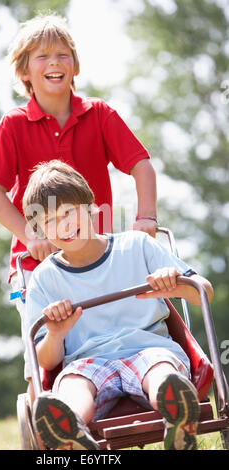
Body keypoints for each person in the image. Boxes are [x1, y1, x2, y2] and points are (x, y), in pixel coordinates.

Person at [0, 13, 157, 381]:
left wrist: (147, 218)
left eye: (62, 55)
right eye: (42, 57)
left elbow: (141, 164)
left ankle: (145, 377)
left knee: (126, 326)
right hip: (38, 261)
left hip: (99, 254)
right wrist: (32, 237)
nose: (55, 63)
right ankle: (49, 404)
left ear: (74, 65)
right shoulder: (13, 125)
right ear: (25, 72)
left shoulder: (99, 114)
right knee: (46, 348)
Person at [22, 160, 214, 451]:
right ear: (40, 231)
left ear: (91, 208)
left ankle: (177, 408)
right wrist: (56, 334)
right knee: (74, 383)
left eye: (68, 213)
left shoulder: (136, 246)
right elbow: (45, 362)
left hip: (148, 348)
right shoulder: (44, 278)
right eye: (49, 221)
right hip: (87, 361)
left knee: (159, 368)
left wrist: (174, 284)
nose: (63, 226)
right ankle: (69, 430)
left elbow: (205, 292)